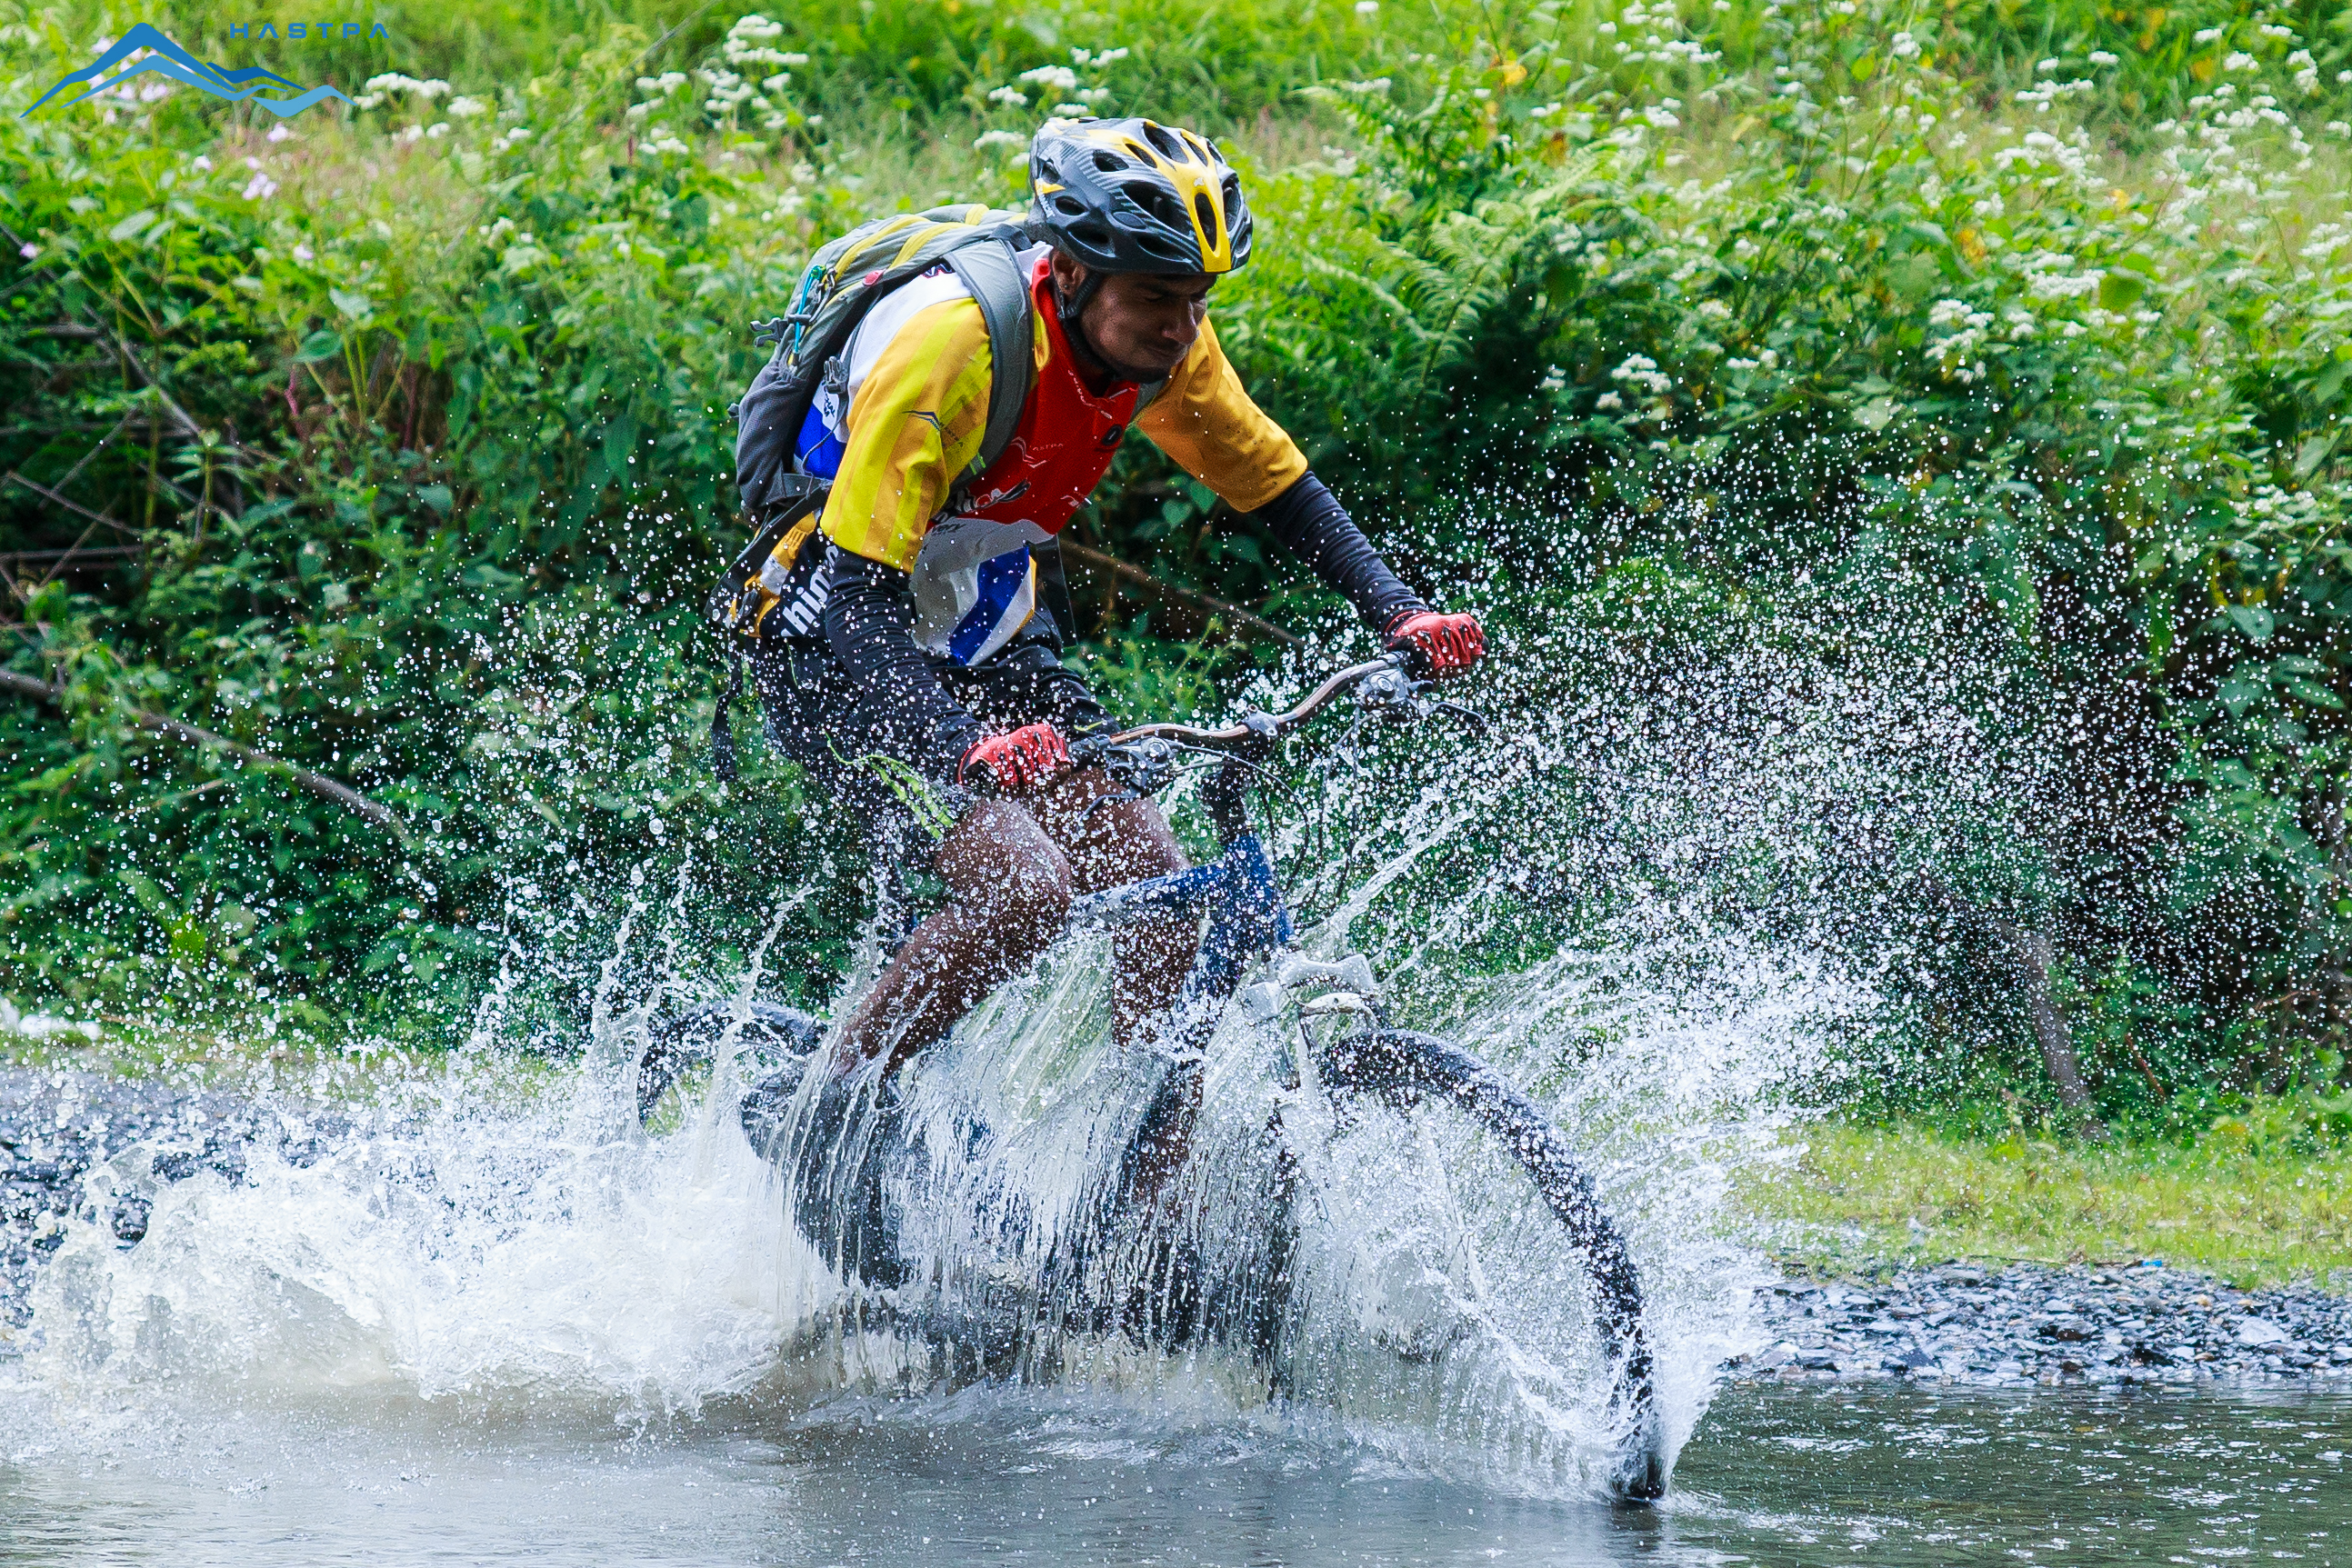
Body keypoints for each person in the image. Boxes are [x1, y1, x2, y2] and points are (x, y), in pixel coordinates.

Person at [751, 115, 1484, 1084]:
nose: (1181, 328)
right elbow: (857, 602)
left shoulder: (1160, 348)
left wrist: (1397, 609)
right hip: (835, 635)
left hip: (981, 619)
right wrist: (958, 745)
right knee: (1025, 890)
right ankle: (825, 1111)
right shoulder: (952, 350)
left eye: (1198, 299)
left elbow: (1273, 484)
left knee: (1166, 889)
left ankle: (1130, 1201)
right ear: (1075, 272)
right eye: (1156, 299)